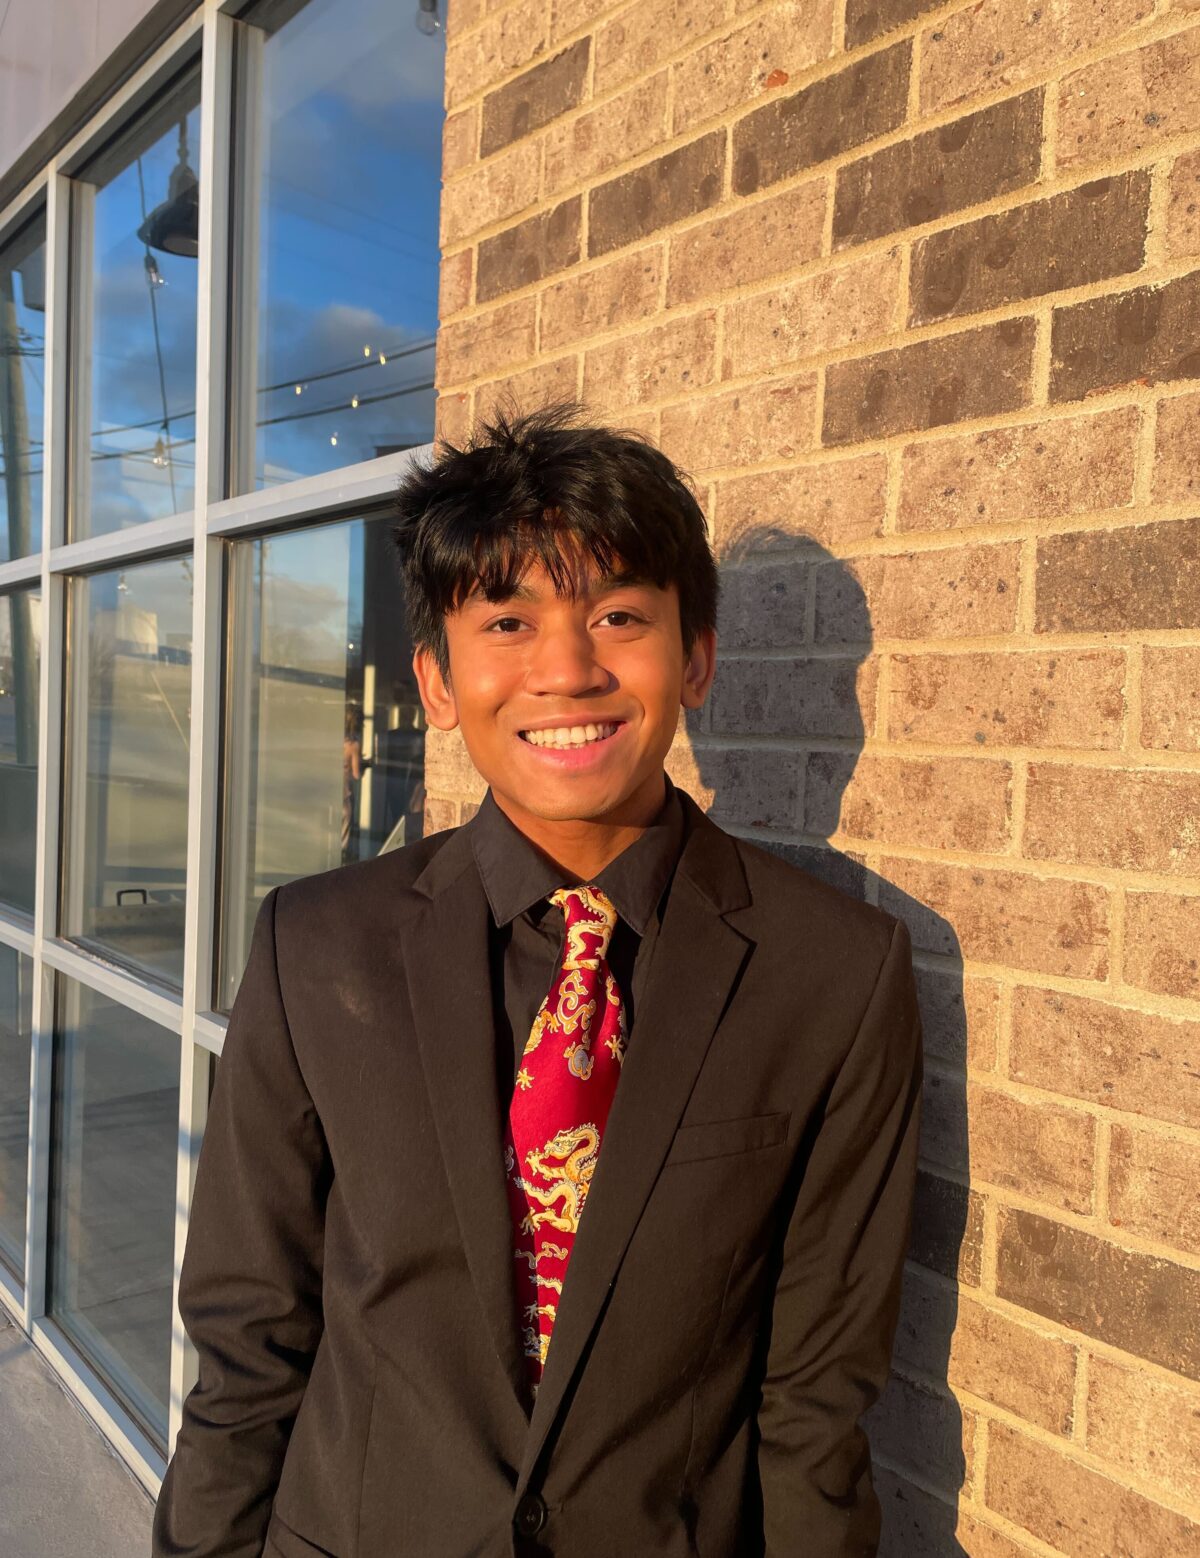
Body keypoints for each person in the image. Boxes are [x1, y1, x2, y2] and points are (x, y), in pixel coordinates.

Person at [151, 400, 924, 1558]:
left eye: (619, 615)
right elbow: (248, 1336)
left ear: (695, 658)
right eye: (508, 622)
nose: (566, 670)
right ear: (437, 680)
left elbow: (817, 1397)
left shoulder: (835, 972)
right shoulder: (316, 948)